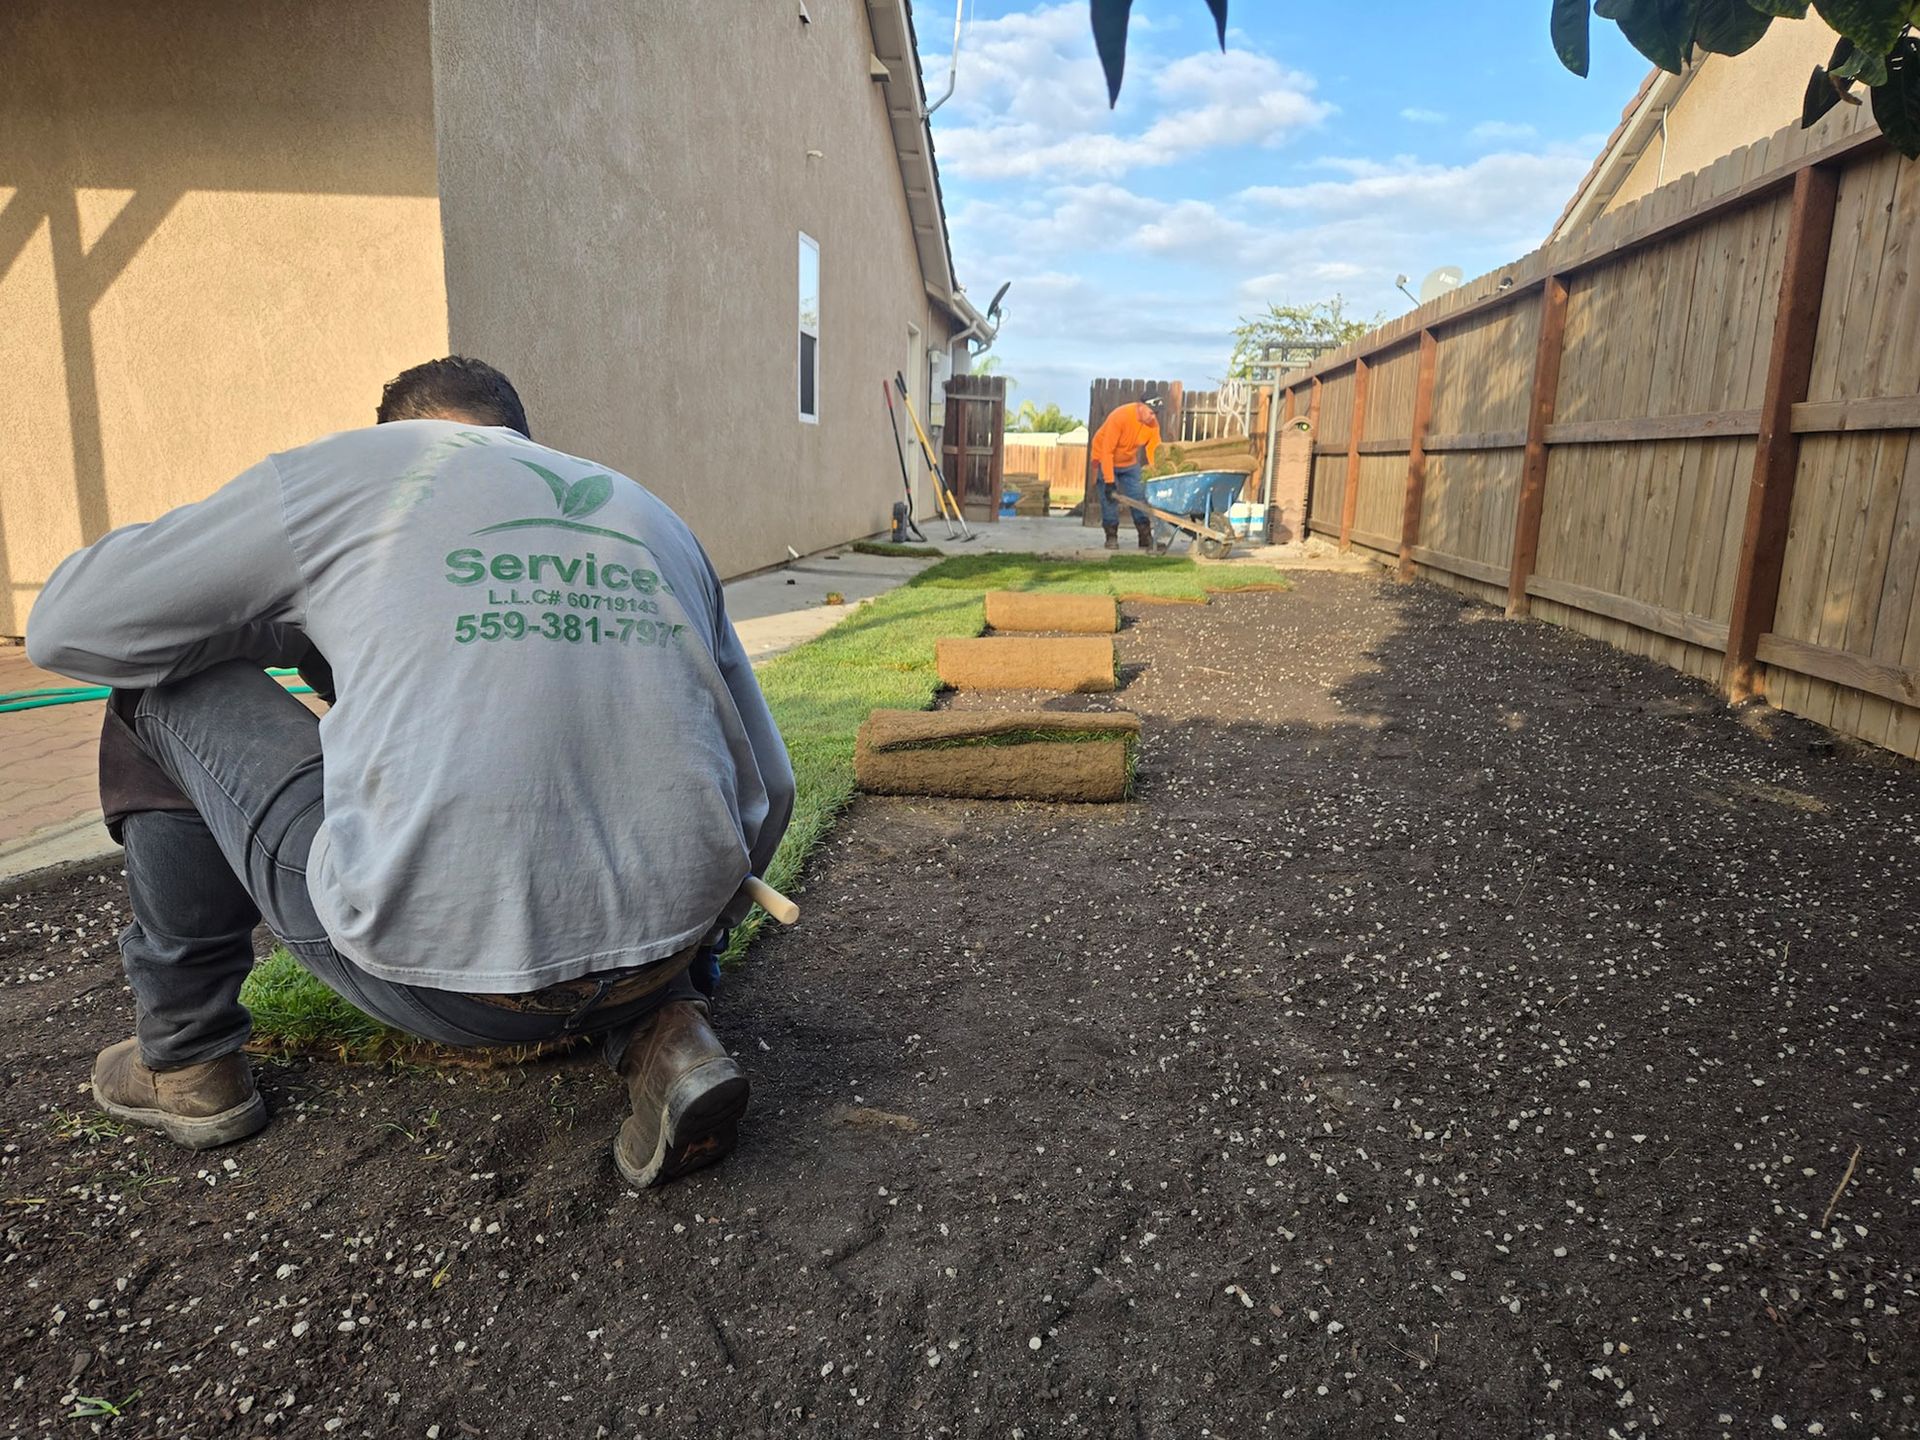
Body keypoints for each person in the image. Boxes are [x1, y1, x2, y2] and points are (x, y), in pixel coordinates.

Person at [25, 357, 794, 1190]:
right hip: (661, 953)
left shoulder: (350, 473)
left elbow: (67, 625)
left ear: (398, 432)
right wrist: (688, 950)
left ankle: (186, 1059)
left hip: (439, 987)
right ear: (519, 438)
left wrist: (266, 628)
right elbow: (772, 786)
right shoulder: (643, 510)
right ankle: (668, 1027)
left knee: (156, 676)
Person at [1089, 396, 1162, 550]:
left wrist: (1157, 473)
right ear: (1140, 406)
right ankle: (1111, 537)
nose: (1153, 417)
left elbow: (1154, 450)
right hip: (1105, 458)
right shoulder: (1120, 417)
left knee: (1138, 496)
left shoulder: (1153, 424)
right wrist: (1109, 481)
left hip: (1128, 462)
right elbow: (1107, 451)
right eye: (1151, 412)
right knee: (1109, 499)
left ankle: (1145, 536)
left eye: (1156, 413)